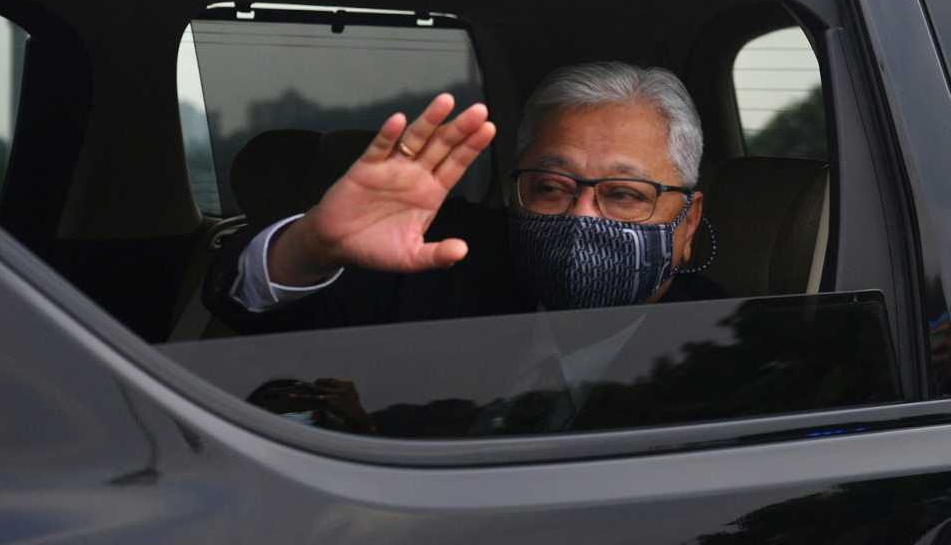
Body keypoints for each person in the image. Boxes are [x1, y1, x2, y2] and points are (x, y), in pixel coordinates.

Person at [203, 61, 722, 335]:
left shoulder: (727, 343)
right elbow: (254, 315)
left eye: (625, 195)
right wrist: (311, 246)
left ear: (689, 222)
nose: (581, 217)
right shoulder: (438, 257)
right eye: (550, 188)